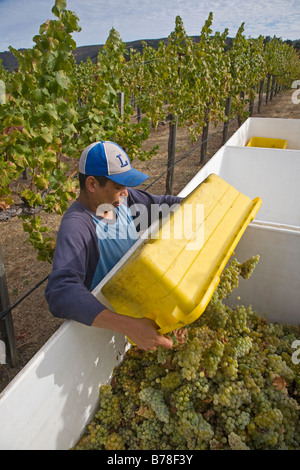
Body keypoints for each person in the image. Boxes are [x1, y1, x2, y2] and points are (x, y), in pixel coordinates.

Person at [45, 141, 182, 351]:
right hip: (110, 329)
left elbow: (164, 205)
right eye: (118, 187)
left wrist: (206, 202)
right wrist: (130, 327)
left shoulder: (122, 202)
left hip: (137, 307)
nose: (126, 193)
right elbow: (60, 291)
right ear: (92, 184)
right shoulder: (77, 226)